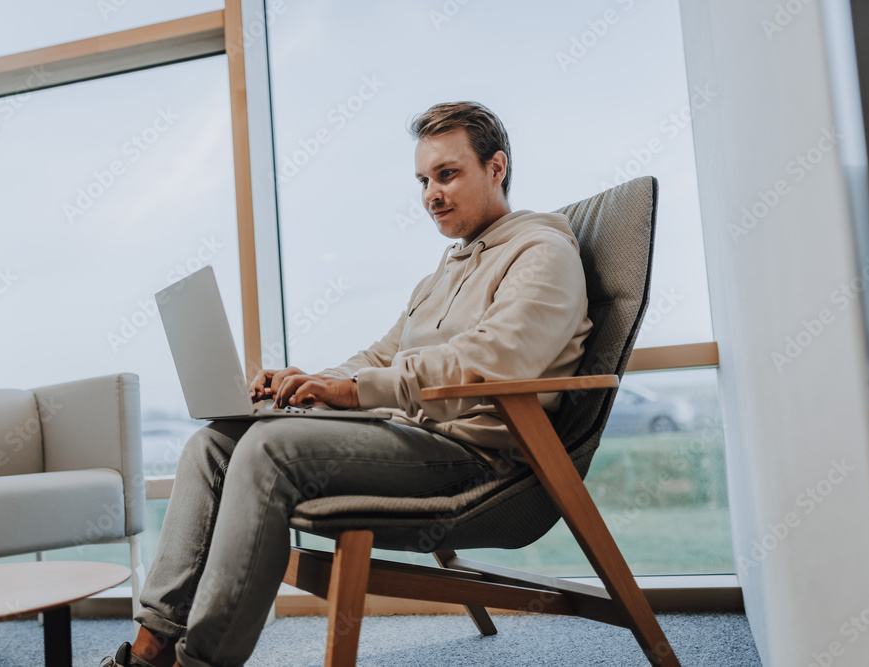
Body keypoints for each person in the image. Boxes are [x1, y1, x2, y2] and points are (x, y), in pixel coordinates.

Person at [102, 101, 593, 667]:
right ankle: (151, 648)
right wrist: (312, 380)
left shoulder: (543, 254)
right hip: (411, 438)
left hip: (478, 458)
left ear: (496, 168)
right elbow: (385, 352)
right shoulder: (442, 274)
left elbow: (490, 364)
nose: (431, 193)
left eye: (447, 174)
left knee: (268, 451)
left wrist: (357, 392)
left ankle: (201, 661)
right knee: (214, 445)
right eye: (424, 180)